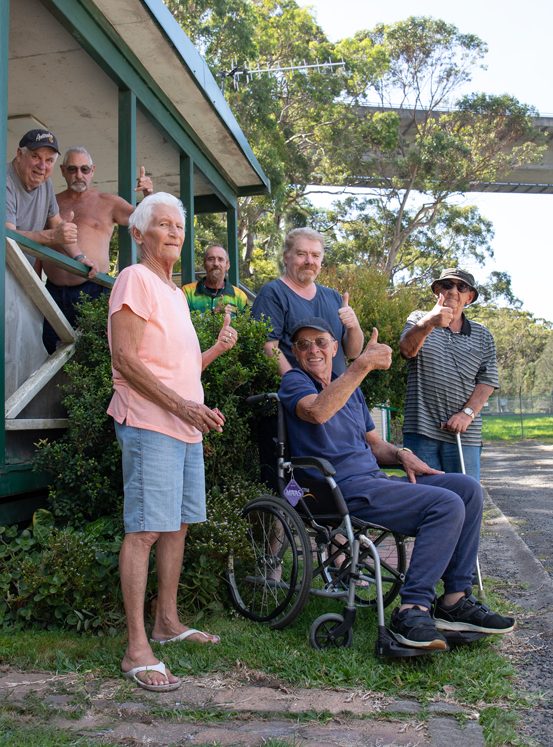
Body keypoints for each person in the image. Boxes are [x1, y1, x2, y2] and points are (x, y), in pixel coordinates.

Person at [278, 316, 515, 650]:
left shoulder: (350, 388)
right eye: (304, 344)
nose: (313, 349)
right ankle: (411, 609)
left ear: (334, 346)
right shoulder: (295, 382)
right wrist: (361, 365)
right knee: (445, 505)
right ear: (295, 352)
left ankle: (454, 601)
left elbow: (375, 446)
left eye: (320, 342)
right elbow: (317, 412)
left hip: (372, 481)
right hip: (334, 489)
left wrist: (402, 453)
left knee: (467, 489)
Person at [107, 192, 237, 692]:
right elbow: (126, 359)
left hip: (183, 425)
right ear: (139, 234)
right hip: (150, 422)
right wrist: (182, 406)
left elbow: (177, 368)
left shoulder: (177, 293)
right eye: (163, 224)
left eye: (179, 227)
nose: (174, 234)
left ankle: (167, 623)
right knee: (144, 529)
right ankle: (136, 648)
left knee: (177, 525)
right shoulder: (134, 279)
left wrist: (216, 352)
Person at [41, 146, 153, 353]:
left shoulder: (108, 202)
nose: (78, 175)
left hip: (93, 289)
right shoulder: (51, 202)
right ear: (63, 171)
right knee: (48, 349)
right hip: (53, 292)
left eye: (84, 169)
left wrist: (148, 195)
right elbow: (39, 246)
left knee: (92, 352)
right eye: (72, 169)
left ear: (92, 171)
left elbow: (144, 221)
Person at [399, 269, 499, 481]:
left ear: (469, 297)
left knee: (466, 495)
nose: (453, 290)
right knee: (425, 497)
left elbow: (487, 381)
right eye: (447, 285)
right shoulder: (418, 319)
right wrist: (430, 322)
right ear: (437, 290)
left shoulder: (483, 335)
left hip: (464, 435)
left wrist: (466, 414)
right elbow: (406, 350)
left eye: (461, 287)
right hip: (420, 430)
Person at [0, 130, 98, 280]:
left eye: (49, 160)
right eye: (35, 156)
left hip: (9, 277)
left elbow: (56, 224)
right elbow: (7, 238)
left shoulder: (45, 184)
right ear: (20, 154)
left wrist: (79, 257)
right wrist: (53, 236)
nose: (42, 166)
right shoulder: (0, 182)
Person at [251, 228, 364, 376]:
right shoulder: (272, 294)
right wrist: (299, 389)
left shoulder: (334, 297)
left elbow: (353, 353)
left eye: (315, 255)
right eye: (301, 254)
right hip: (298, 397)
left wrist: (353, 326)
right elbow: (268, 348)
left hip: (338, 394)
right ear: (286, 257)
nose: (309, 261)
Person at [182, 243, 248, 315]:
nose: (216, 263)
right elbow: (180, 322)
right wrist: (213, 314)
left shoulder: (240, 296)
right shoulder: (187, 292)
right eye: (211, 259)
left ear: (227, 265)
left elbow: (247, 324)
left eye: (220, 259)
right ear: (204, 265)